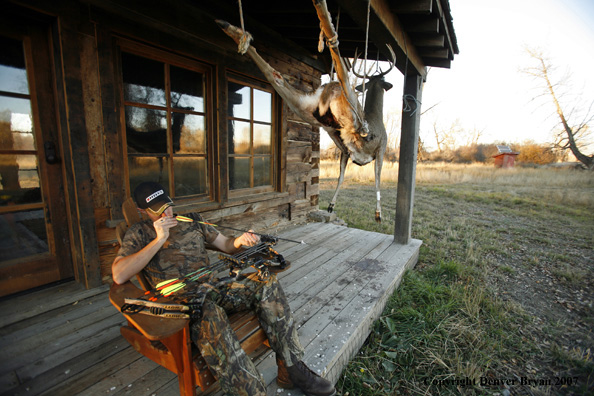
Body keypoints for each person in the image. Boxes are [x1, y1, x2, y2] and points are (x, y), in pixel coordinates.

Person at [112, 181, 335, 396]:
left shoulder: (193, 220)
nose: (166, 214)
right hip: (185, 302)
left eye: (168, 206)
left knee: (266, 283)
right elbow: (119, 274)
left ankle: (291, 368)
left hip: (215, 286)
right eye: (157, 211)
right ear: (142, 211)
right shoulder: (139, 233)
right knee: (211, 314)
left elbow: (227, 245)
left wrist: (241, 241)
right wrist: (159, 239)